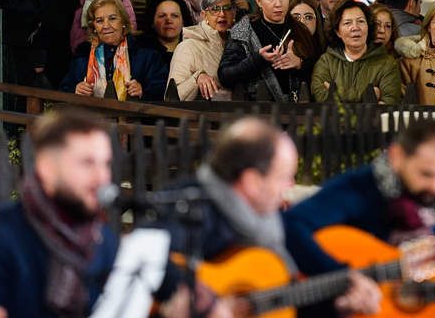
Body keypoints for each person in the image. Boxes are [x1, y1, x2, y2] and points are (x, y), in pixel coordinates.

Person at [284, 119, 435, 318]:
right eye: (426, 174)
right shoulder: (358, 190)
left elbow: (428, 294)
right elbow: (291, 225)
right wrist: (344, 277)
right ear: (397, 156)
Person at [158, 117, 382, 317]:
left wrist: (339, 308)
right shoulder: (190, 205)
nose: (290, 186)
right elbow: (150, 254)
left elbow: (284, 301)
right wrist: (206, 303)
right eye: (284, 177)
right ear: (253, 181)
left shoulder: (267, 225)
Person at [0, 109, 119, 318]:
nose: (102, 177)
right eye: (87, 163)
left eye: (106, 164)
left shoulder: (103, 240)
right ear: (47, 168)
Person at [218, 0, 316, 102]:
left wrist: (300, 64)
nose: (278, 4)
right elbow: (225, 76)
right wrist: (257, 59)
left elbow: (319, 72)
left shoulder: (300, 29)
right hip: (256, 112)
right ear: (258, 1)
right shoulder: (244, 30)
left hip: (297, 113)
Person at [60, 0, 167, 101]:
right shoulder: (83, 55)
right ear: (94, 27)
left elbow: (163, 91)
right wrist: (76, 90)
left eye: (112, 18)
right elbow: (63, 90)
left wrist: (142, 91)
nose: (106, 26)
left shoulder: (146, 53)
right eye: (99, 21)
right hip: (90, 116)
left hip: (134, 116)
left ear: (123, 22)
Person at [311, 0, 401, 104]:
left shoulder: (387, 63)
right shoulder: (326, 62)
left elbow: (390, 102)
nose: (355, 27)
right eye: (347, 23)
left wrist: (336, 93)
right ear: (337, 32)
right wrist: (369, 96)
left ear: (368, 26)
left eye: (361, 21)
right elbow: (320, 97)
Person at [168, 0, 237, 101]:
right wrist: (197, 78)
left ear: (234, 12)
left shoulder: (243, 43)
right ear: (204, 15)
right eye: (215, 9)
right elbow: (174, 96)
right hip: (200, 117)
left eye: (227, 8)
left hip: (242, 116)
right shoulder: (188, 47)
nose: (222, 14)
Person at [138, 0, 194, 67]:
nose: (169, 21)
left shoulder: (194, 49)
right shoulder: (141, 52)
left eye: (175, 16)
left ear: (183, 21)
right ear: (152, 22)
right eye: (162, 16)